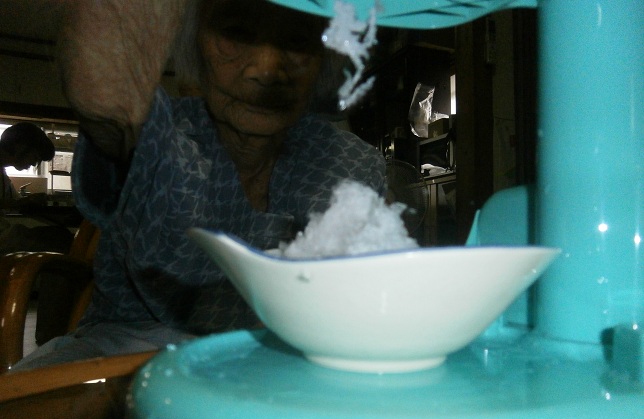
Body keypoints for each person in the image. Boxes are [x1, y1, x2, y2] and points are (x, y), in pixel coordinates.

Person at [14, 0, 385, 369]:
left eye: (297, 41)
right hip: (126, 353)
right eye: (235, 34)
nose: (266, 69)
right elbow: (107, 98)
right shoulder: (164, 132)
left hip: (287, 361)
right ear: (196, 48)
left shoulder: (352, 164)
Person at [0, 122, 74, 255]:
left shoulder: (3, 174)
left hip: (5, 233)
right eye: (35, 157)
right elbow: (10, 202)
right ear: (20, 147)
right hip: (3, 239)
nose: (34, 163)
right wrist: (23, 201)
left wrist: (27, 200)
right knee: (64, 241)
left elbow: (12, 201)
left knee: (62, 235)